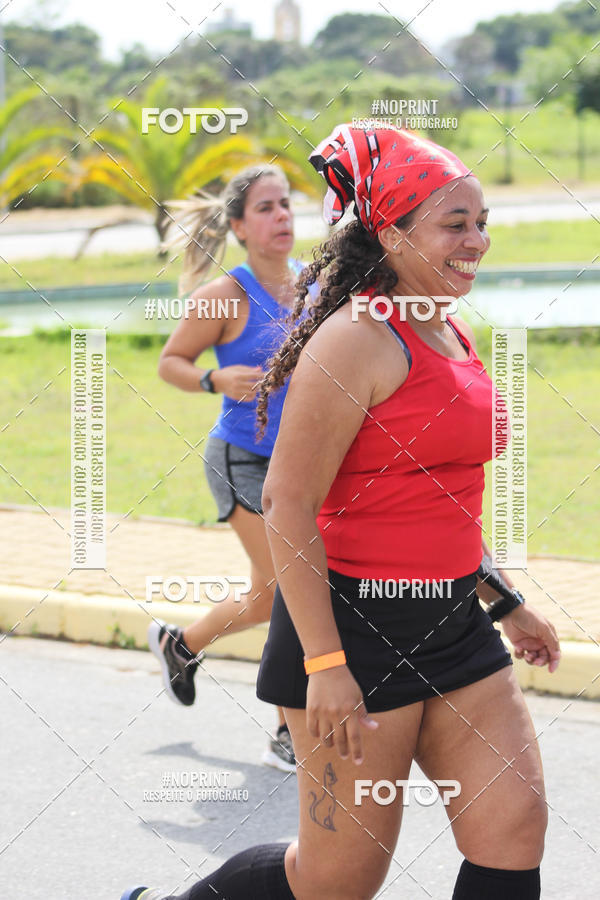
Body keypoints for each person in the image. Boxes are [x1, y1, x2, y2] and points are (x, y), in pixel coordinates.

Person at [122, 125, 561, 900]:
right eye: (455, 223)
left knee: (515, 827)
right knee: (335, 881)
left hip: (455, 626)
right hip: (353, 632)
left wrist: (503, 601)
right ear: (392, 234)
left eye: (482, 221)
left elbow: (437, 501)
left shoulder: (448, 328)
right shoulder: (355, 339)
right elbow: (286, 501)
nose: (478, 240)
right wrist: (325, 666)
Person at [148, 163, 306, 772]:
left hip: (300, 465)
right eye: (265, 208)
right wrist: (214, 378)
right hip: (241, 460)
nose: (282, 216)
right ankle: (287, 733)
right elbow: (171, 361)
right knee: (294, 591)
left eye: (285, 204)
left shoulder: (313, 284)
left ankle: (180, 645)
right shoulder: (224, 296)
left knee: (268, 597)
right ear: (239, 227)